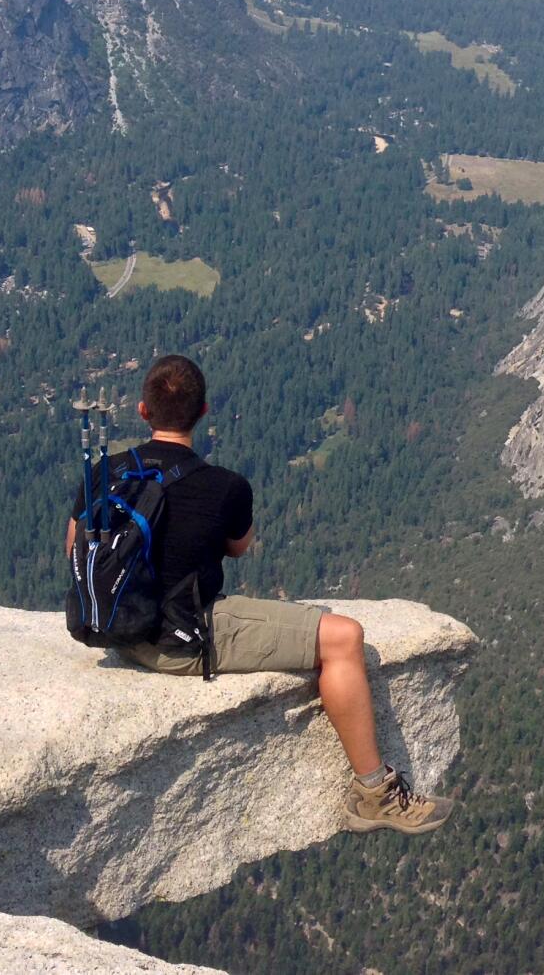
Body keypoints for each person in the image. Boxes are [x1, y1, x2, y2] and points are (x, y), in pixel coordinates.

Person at [68, 353, 453, 834]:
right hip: (182, 638)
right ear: (204, 412)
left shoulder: (104, 474)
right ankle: (373, 793)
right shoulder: (225, 486)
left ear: (143, 412)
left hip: (113, 629)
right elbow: (240, 546)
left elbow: (76, 549)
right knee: (344, 638)